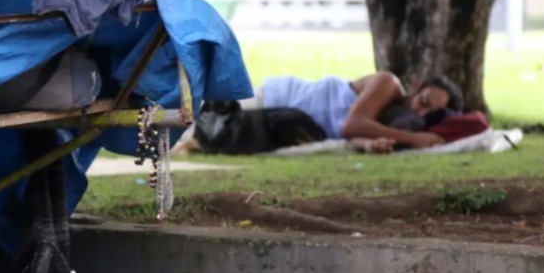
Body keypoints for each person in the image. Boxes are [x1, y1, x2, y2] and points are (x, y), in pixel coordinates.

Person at [175, 72, 464, 155]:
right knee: (193, 124)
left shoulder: (395, 123)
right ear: (416, 86)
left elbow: (351, 136)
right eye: (423, 100)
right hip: (278, 100)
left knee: (202, 136)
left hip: (285, 124)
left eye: (429, 112)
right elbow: (352, 124)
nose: (419, 110)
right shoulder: (389, 84)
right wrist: (415, 140)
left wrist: (373, 145)